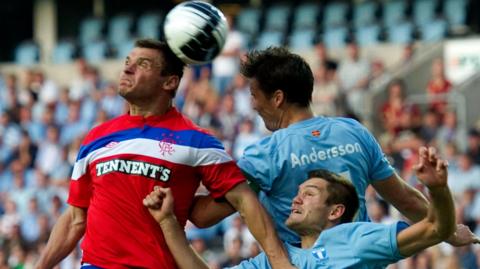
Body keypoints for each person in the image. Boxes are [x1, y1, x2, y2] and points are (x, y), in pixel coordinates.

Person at [34, 39, 292, 269]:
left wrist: (280, 261)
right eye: (127, 62)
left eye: (143, 64)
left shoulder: (197, 141)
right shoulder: (95, 138)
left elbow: (244, 201)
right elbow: (75, 219)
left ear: (170, 82)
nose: (127, 68)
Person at [188, 46, 478, 247]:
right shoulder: (353, 131)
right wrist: (449, 232)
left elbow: (203, 216)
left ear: (277, 98)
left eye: (254, 95)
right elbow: (405, 198)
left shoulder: (264, 155)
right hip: (360, 259)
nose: (252, 104)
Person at [145, 147, 480, 268]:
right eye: (298, 193)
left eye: (309, 193)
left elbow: (436, 229)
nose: (296, 198)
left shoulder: (356, 238)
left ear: (335, 211)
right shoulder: (274, 260)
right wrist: (168, 222)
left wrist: (437, 189)